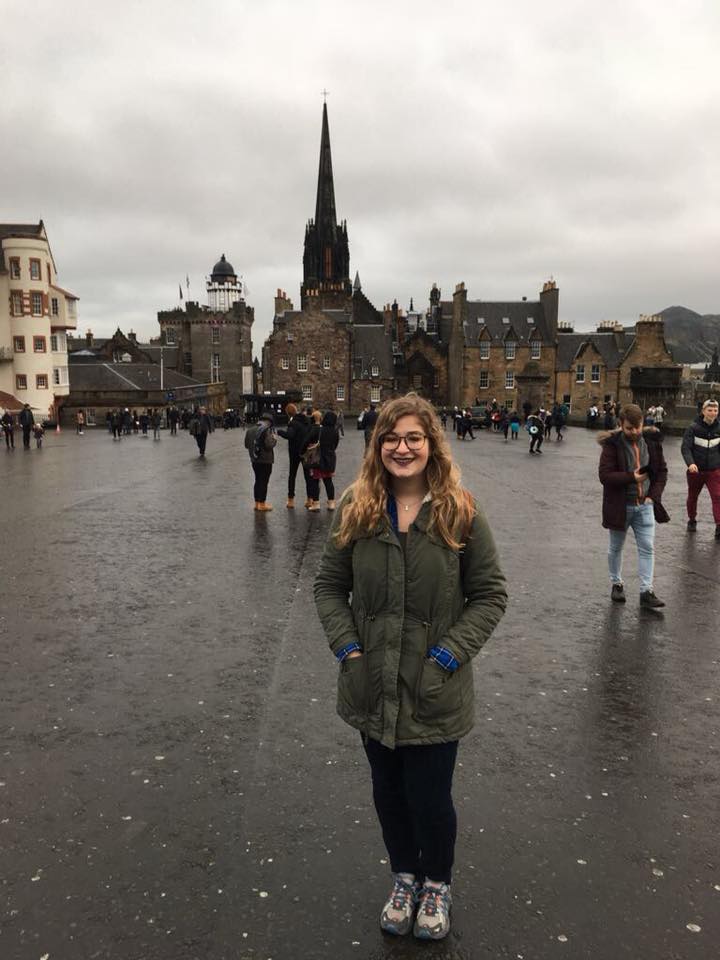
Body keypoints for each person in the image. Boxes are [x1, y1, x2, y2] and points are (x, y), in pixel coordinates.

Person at [313, 393, 507, 941]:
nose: (402, 448)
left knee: (430, 798)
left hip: (433, 688)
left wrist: (448, 655)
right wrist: (349, 650)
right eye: (391, 438)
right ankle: (404, 877)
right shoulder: (357, 506)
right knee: (389, 793)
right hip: (372, 683)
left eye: (413, 438)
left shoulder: (460, 510)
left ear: (431, 445)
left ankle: (436, 883)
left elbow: (490, 594)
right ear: (377, 445)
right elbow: (329, 587)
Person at [598, 403, 669, 608]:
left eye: (637, 427)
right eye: (629, 428)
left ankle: (647, 591)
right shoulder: (612, 445)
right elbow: (605, 476)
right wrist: (632, 477)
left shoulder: (652, 442)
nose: (635, 432)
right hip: (620, 506)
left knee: (647, 548)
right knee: (616, 547)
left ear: (642, 423)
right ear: (621, 424)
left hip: (645, 504)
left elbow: (661, 472)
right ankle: (617, 584)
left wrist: (653, 496)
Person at [681, 398, 720, 538]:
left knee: (718, 496)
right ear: (703, 411)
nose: (713, 413)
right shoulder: (693, 428)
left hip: (714, 470)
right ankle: (692, 520)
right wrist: (690, 463)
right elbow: (686, 448)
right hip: (696, 470)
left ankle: (719, 525)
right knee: (692, 497)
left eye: (715, 410)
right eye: (710, 410)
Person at [277, 403, 310, 509]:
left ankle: (291, 500)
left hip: (295, 452)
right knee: (308, 476)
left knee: (292, 475)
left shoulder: (293, 423)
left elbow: (290, 435)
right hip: (306, 451)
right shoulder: (307, 421)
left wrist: (280, 432)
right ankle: (310, 499)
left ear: (288, 413)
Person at [307, 410, 340, 511]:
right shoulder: (335, 431)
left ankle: (316, 503)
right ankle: (331, 503)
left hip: (318, 458)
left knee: (315, 481)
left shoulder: (320, 430)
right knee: (328, 481)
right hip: (330, 458)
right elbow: (335, 445)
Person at [244, 410, 277, 510]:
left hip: (254, 459)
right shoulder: (266, 430)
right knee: (264, 481)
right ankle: (262, 504)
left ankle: (257, 503)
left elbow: (246, 445)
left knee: (257, 480)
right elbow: (269, 445)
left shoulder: (250, 430)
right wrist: (274, 439)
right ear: (269, 421)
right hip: (265, 460)